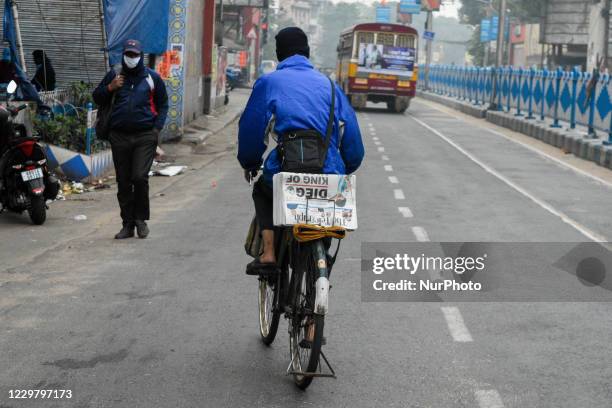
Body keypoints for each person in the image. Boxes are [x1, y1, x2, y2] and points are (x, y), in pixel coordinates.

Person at [237, 27, 365, 274]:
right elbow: (353, 139)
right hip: (328, 169)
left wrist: (250, 162)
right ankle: (321, 256)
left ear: (279, 55)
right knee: (327, 199)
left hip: (285, 169)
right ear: (307, 53)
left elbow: (251, 128)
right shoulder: (330, 86)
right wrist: (345, 168)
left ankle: (269, 253)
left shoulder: (270, 82)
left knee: (263, 191)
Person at [93, 39, 168, 240]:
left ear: (141, 56)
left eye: (135, 55)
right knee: (124, 181)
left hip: (145, 135)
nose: (131, 58)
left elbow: (163, 104)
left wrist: (156, 129)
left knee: (139, 177)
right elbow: (97, 97)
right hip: (119, 136)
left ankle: (141, 220)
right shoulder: (115, 74)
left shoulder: (152, 78)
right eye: (128, 54)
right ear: (123, 55)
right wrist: (110, 87)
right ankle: (127, 224)